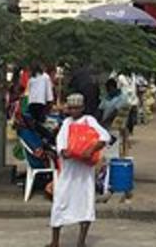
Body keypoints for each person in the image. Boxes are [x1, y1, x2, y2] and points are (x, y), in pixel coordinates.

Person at [49, 94, 110, 247]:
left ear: (83, 108)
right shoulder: (66, 124)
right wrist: (66, 153)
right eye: (71, 108)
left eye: (77, 108)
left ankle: (81, 242)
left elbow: (105, 137)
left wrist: (91, 149)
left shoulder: (90, 121)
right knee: (59, 203)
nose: (74, 111)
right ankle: (55, 241)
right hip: (69, 172)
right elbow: (60, 145)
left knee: (86, 205)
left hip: (84, 173)